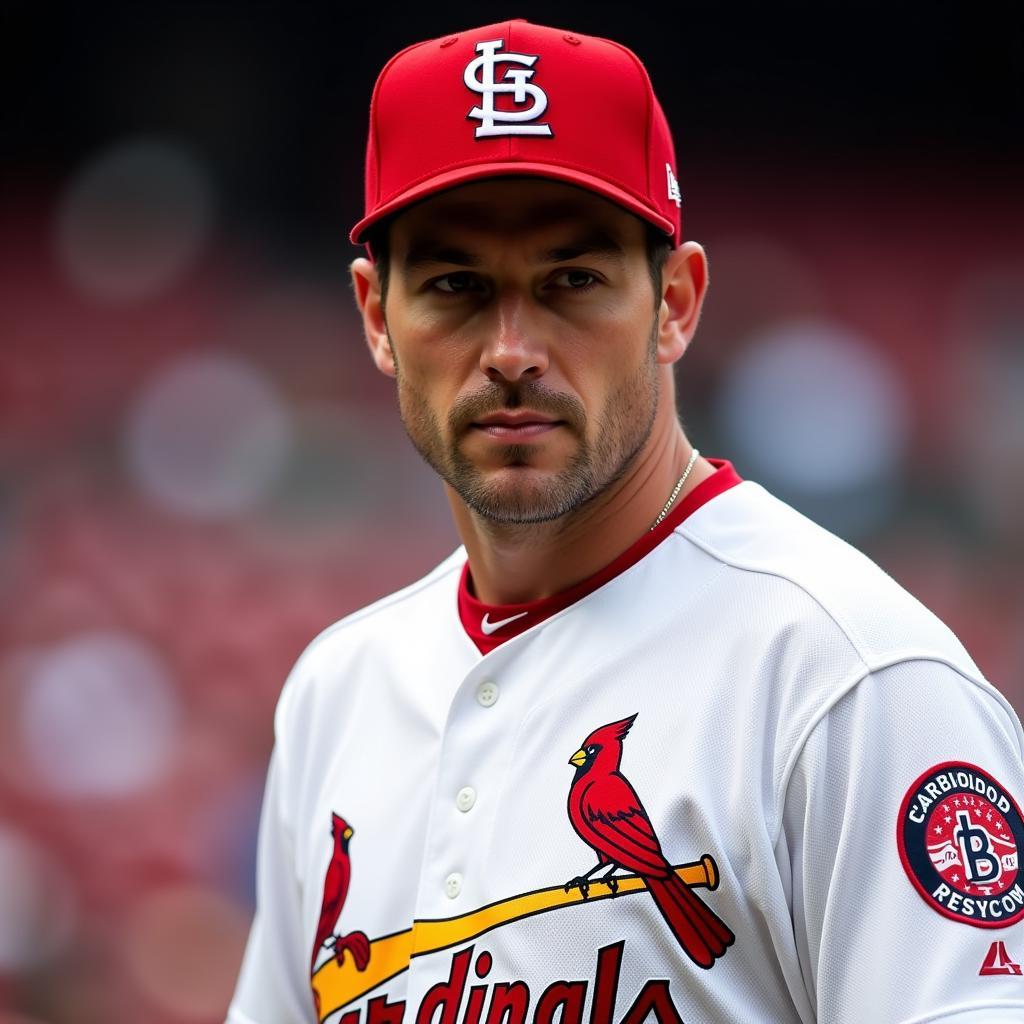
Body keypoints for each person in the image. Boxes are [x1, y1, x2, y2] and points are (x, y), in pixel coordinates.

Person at [227, 19, 1024, 1024]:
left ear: (675, 303)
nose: (511, 348)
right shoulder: (335, 692)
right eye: (454, 287)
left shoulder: (851, 679)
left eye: (572, 281)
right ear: (377, 318)